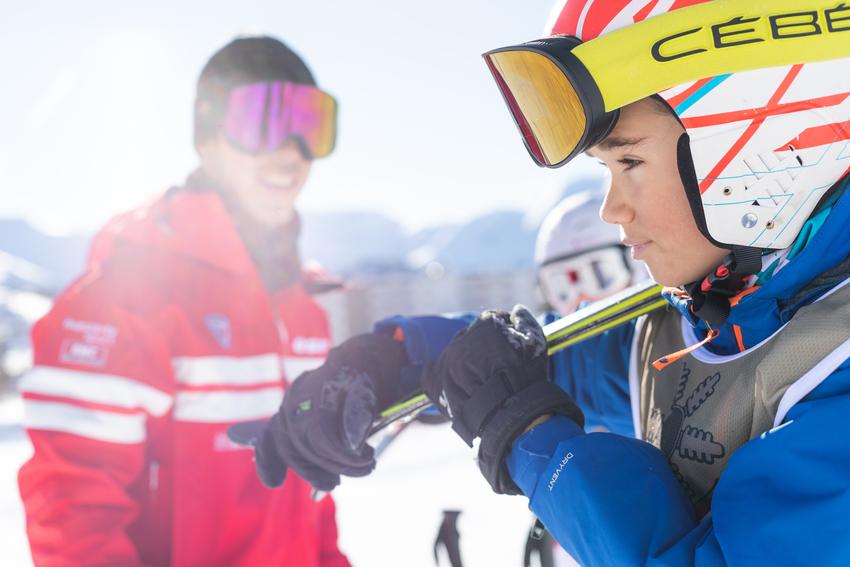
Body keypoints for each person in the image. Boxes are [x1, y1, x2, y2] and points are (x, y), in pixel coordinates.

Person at [246, 1, 850, 565]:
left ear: (763, 143)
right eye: (606, 170)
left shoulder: (834, 366)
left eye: (630, 162)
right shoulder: (697, 323)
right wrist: (393, 359)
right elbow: (540, 364)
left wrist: (533, 440)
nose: (611, 209)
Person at [18, 36, 351, 566]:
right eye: (261, 121)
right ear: (208, 135)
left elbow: (310, 495)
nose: (290, 150)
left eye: (311, 124)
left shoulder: (303, 308)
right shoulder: (129, 294)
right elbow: (73, 515)